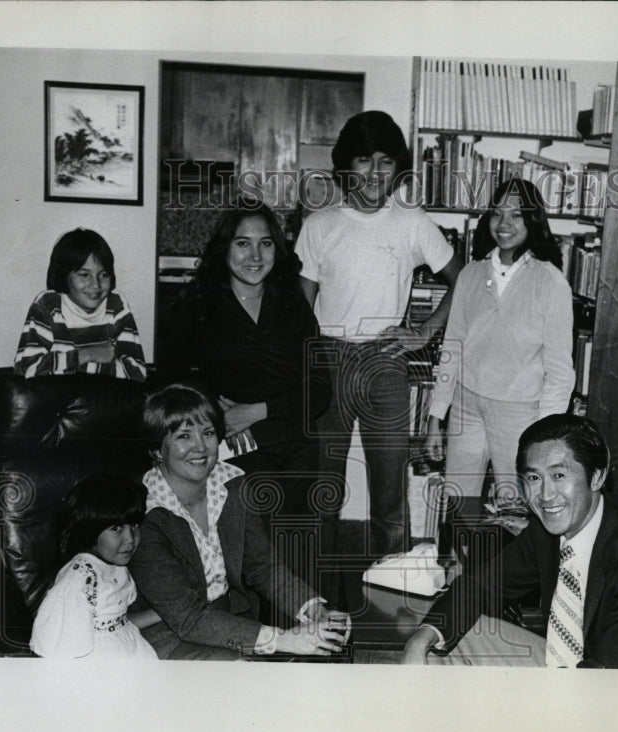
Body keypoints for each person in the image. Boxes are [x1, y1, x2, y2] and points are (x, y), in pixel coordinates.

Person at [402, 414, 618, 669]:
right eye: (534, 479)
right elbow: (482, 585)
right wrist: (421, 637)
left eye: (559, 476)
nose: (545, 496)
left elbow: (606, 683)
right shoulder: (547, 531)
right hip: (572, 667)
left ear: (596, 477)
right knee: (438, 642)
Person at [295, 110, 463, 569]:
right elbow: (297, 308)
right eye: (364, 160)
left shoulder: (411, 221)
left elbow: (462, 281)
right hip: (327, 359)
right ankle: (314, 589)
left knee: (390, 490)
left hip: (386, 362)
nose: (374, 173)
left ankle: (393, 589)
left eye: (386, 162)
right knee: (323, 486)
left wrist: (424, 331)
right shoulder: (319, 225)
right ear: (346, 165)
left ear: (398, 168)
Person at [129, 383, 351, 660]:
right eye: (184, 436)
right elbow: (187, 618)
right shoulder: (143, 514)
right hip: (165, 635)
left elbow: (262, 566)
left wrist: (315, 609)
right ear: (157, 450)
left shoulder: (231, 484)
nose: (200, 447)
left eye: (208, 433)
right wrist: (282, 639)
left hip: (228, 622)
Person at [181, 202, 331, 547]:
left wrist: (257, 410)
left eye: (265, 243)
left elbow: (320, 389)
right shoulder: (199, 305)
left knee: (296, 552)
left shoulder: (293, 305)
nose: (255, 255)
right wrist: (217, 417)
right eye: (243, 242)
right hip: (233, 450)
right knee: (247, 553)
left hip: (295, 448)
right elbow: (179, 385)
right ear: (225, 247)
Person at [424, 178, 574, 502]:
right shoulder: (470, 275)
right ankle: (460, 556)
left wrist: (544, 437)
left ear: (532, 221)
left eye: (516, 215)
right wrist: (435, 417)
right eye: (497, 213)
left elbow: (561, 373)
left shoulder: (550, 282)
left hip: (520, 413)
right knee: (459, 504)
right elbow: (452, 349)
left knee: (517, 509)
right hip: (465, 406)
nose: (504, 223)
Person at [30, 474, 159, 660]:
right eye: (116, 528)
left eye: (134, 525)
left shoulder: (114, 563)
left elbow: (117, 621)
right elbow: (56, 644)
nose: (130, 538)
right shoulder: (79, 577)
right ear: (89, 529)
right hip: (96, 659)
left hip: (129, 648)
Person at [14, 228, 146, 381]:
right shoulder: (48, 305)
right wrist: (88, 354)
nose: (95, 285)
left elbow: (136, 373)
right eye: (84, 275)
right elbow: (27, 369)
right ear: (64, 275)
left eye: (104, 275)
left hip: (103, 403)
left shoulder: (116, 304)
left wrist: (66, 365)